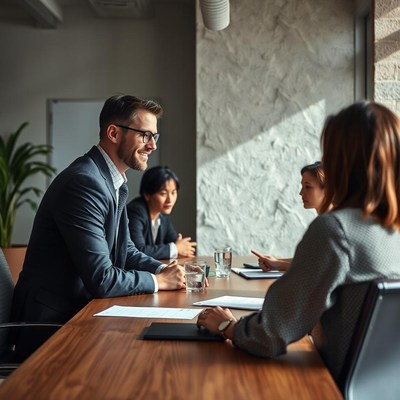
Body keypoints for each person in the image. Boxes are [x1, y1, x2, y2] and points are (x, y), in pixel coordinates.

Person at [197, 101, 400, 387]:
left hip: (327, 385)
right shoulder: (391, 230)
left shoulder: (336, 230)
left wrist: (226, 325)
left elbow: (270, 335)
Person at [11, 95, 186, 360]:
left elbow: (124, 249)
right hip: (53, 326)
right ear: (113, 133)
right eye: (145, 135)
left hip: (81, 312)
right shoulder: (84, 183)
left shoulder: (113, 181)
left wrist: (164, 269)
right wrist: (158, 281)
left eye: (155, 137)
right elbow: (102, 278)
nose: (152, 145)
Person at [255, 161, 326, 271]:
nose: (301, 193)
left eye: (308, 187)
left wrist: (279, 264)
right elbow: (312, 261)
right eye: (302, 186)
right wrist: (276, 261)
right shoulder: (324, 221)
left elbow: (319, 268)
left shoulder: (331, 225)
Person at [127, 166, 196, 259]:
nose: (170, 200)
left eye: (173, 192)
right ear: (147, 194)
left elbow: (176, 241)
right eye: (163, 193)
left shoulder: (163, 214)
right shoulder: (136, 211)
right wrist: (175, 249)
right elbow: (138, 250)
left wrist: (183, 248)